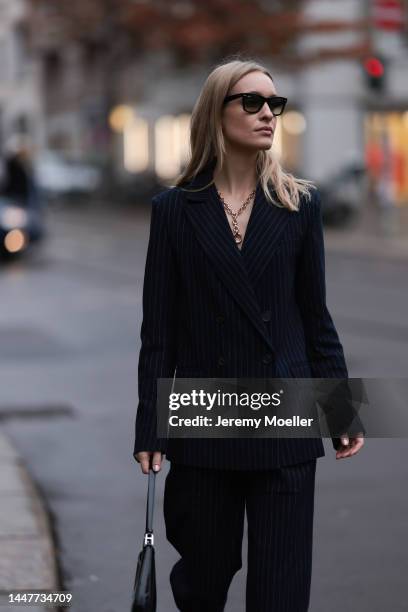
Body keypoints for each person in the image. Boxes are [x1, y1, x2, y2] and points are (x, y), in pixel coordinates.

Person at [133, 58, 365, 612]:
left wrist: (339, 411)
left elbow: (315, 317)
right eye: (253, 102)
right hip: (204, 419)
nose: (268, 114)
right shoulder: (173, 211)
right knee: (201, 586)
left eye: (275, 104)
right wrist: (150, 424)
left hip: (284, 417)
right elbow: (159, 330)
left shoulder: (298, 205)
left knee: (281, 592)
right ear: (218, 112)